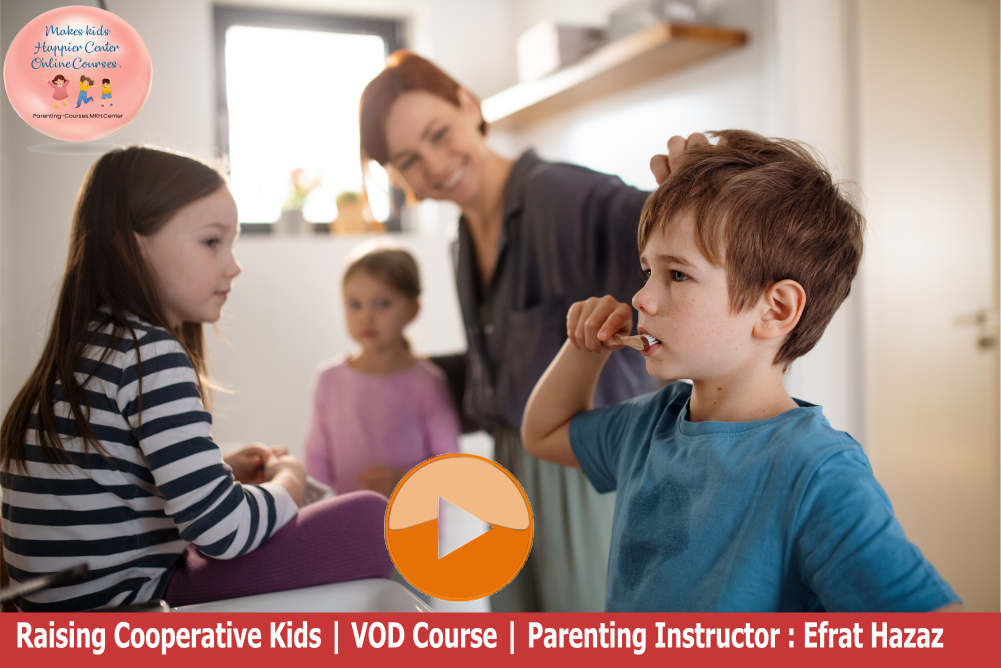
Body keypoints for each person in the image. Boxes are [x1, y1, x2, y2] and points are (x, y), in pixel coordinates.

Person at [521, 130, 962, 611]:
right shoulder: (648, 426)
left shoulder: (816, 472)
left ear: (774, 310)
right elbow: (544, 433)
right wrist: (584, 349)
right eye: (648, 270)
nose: (642, 297)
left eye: (678, 274)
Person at [0, 146, 391, 611]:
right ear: (130, 246)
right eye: (212, 242)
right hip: (134, 607)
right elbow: (224, 531)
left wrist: (220, 465)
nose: (234, 265)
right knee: (371, 519)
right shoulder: (150, 352)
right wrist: (289, 479)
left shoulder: (83, 350)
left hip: (53, 616)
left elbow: (114, 482)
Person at [359, 50, 669, 612]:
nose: (433, 163)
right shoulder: (462, 241)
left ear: (468, 105)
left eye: (438, 133)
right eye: (409, 158)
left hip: (584, 468)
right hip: (506, 470)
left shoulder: (562, 196)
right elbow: (504, 367)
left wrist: (699, 185)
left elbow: (672, 227)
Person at [304, 244, 460, 497]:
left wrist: (403, 480)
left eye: (382, 303)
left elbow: (450, 463)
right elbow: (316, 461)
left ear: (412, 310)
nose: (366, 317)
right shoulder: (328, 380)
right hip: (347, 523)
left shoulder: (427, 382)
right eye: (355, 304)